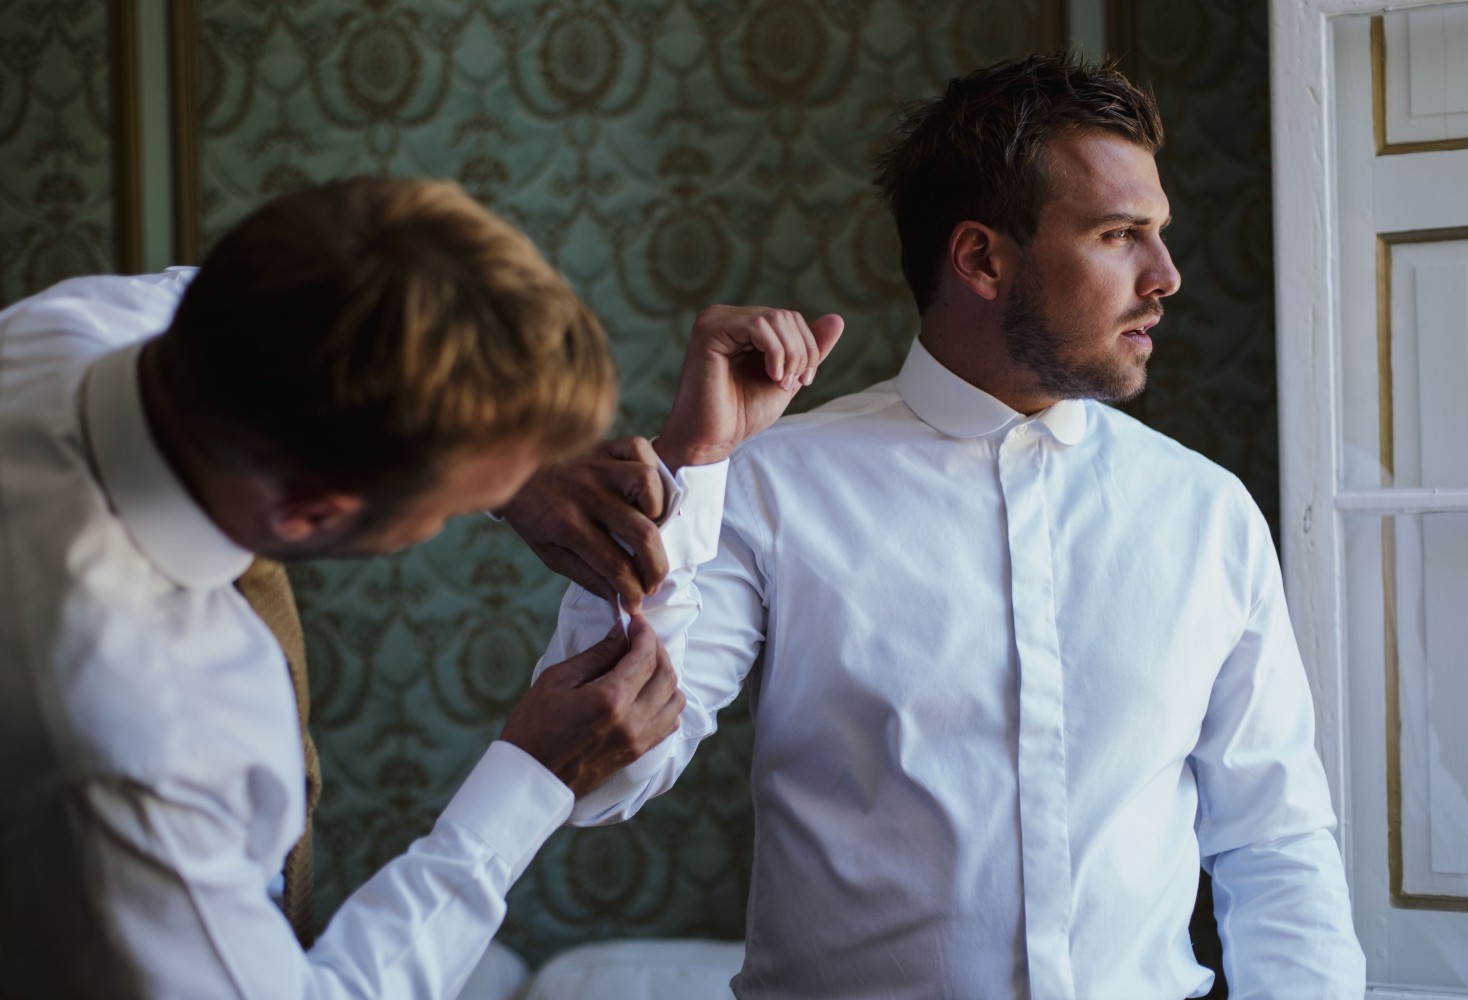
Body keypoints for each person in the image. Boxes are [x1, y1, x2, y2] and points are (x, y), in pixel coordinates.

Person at [514, 53, 1367, 998]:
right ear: (982, 259)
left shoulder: (1208, 514)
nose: (1165, 276)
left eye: (1158, 234)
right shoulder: (769, 485)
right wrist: (688, 471)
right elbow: (596, 782)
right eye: (1121, 235)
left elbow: (1276, 839)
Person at [0, 176, 841, 997]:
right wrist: (530, 778)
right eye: (465, 499)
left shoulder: (95, 325)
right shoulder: (138, 754)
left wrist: (509, 466)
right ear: (310, 510)